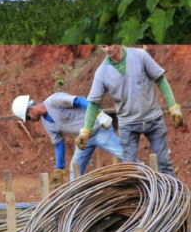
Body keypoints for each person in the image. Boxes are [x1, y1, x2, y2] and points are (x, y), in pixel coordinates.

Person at [77, 45, 183, 177]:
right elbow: (93, 104)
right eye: (103, 46)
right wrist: (86, 130)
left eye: (109, 44)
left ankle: (172, 194)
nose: (107, 49)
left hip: (153, 118)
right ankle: (135, 197)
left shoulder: (140, 56)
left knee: (164, 162)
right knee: (129, 170)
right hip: (128, 124)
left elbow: (160, 79)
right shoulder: (102, 72)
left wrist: (173, 106)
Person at [12, 92, 124, 187]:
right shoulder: (46, 123)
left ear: (31, 109)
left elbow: (79, 100)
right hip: (83, 139)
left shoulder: (54, 101)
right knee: (75, 168)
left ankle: (141, 175)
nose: (30, 121)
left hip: (98, 129)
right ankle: (76, 201)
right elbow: (58, 144)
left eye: (28, 118)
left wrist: (99, 113)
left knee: (123, 154)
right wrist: (59, 169)